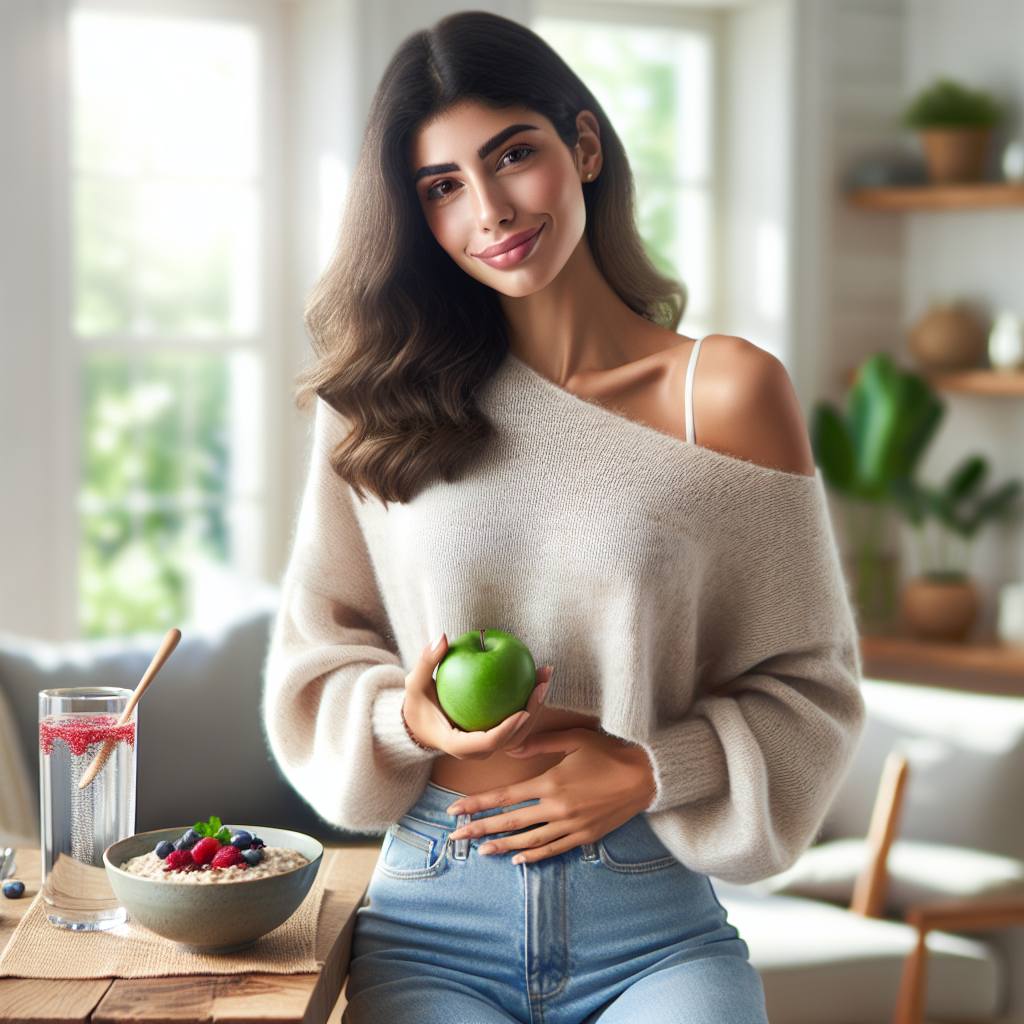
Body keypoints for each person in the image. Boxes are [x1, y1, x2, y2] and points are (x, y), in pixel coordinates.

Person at [264, 11, 863, 1024]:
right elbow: (314, 654)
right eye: (441, 187)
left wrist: (648, 766)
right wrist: (406, 716)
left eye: (513, 155)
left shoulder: (724, 394)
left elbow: (811, 687)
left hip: (652, 914)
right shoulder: (375, 401)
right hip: (432, 914)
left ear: (582, 146)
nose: (489, 208)